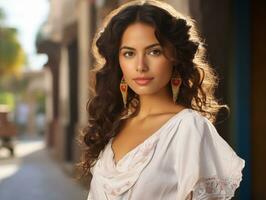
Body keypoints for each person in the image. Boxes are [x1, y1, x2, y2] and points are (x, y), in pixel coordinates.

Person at [80, 0, 245, 199]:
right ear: (119, 61)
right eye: (129, 53)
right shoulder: (114, 125)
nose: (140, 65)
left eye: (154, 51)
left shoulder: (188, 128)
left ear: (175, 57)